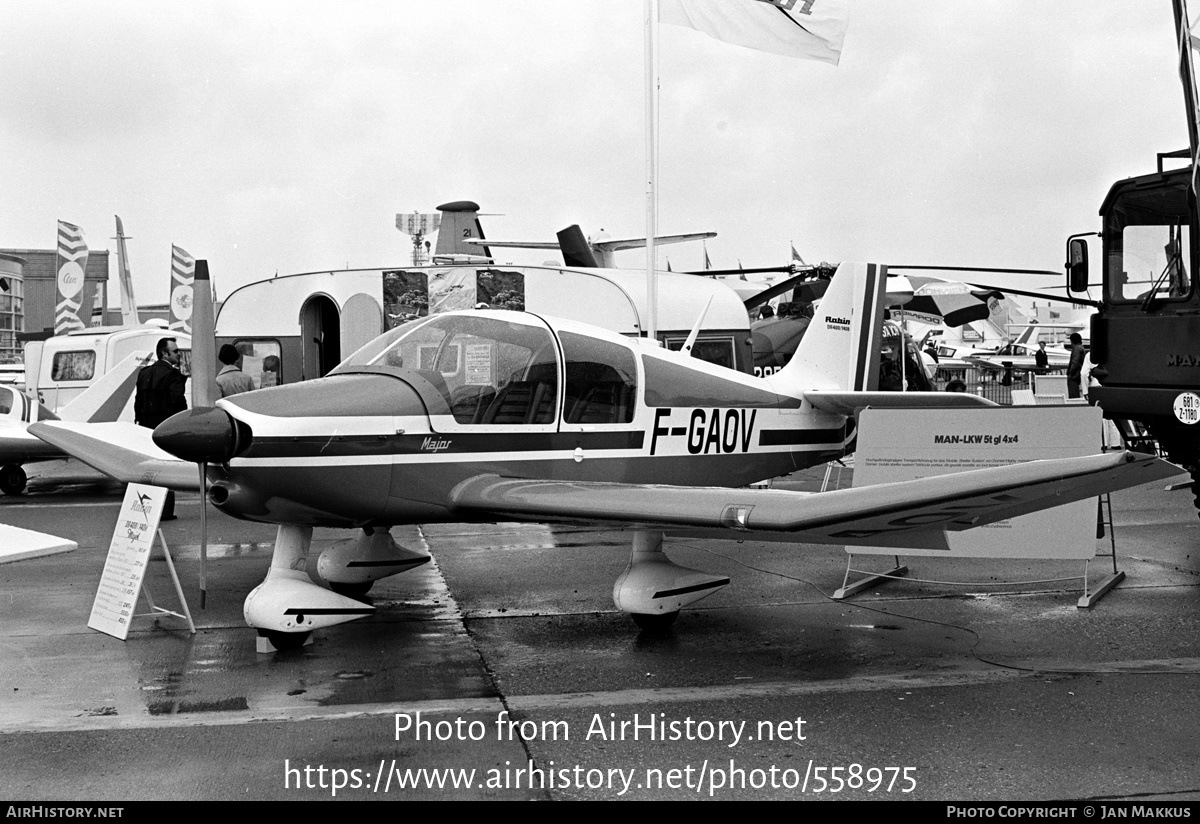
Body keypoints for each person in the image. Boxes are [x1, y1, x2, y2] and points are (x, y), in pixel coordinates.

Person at [134, 337, 187, 520]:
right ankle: (165, 510)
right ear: (165, 353)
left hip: (145, 427)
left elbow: (138, 401)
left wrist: (139, 421)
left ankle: (146, 507)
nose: (179, 354)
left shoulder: (144, 373)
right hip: (165, 426)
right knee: (166, 468)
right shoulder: (172, 375)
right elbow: (178, 402)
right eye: (175, 351)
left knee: (148, 468)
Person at [1066, 332, 1086, 399]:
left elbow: (1075, 362)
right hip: (1078, 374)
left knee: (1073, 394)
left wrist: (1070, 374)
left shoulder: (1077, 349)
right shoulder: (1081, 348)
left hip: (1074, 375)